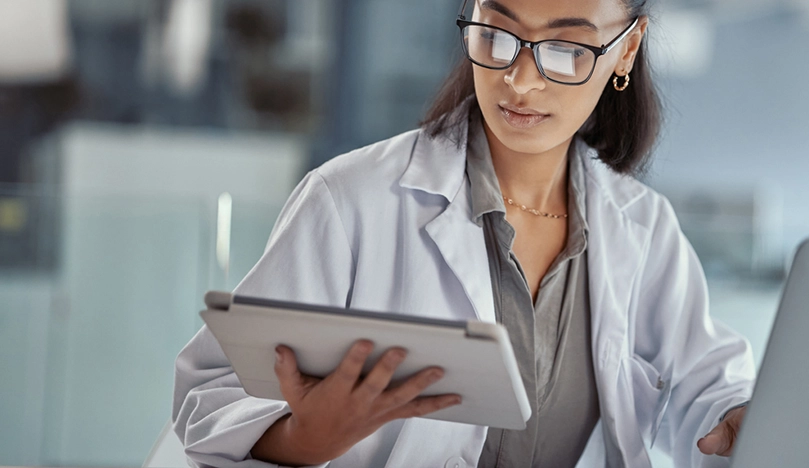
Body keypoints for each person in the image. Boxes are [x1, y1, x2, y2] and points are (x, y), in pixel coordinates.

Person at [172, 0, 755, 465]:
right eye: (496, 35)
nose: (521, 81)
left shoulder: (643, 228)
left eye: (566, 48)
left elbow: (704, 387)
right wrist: (304, 439)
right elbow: (210, 395)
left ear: (626, 49)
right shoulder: (350, 200)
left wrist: (740, 416)